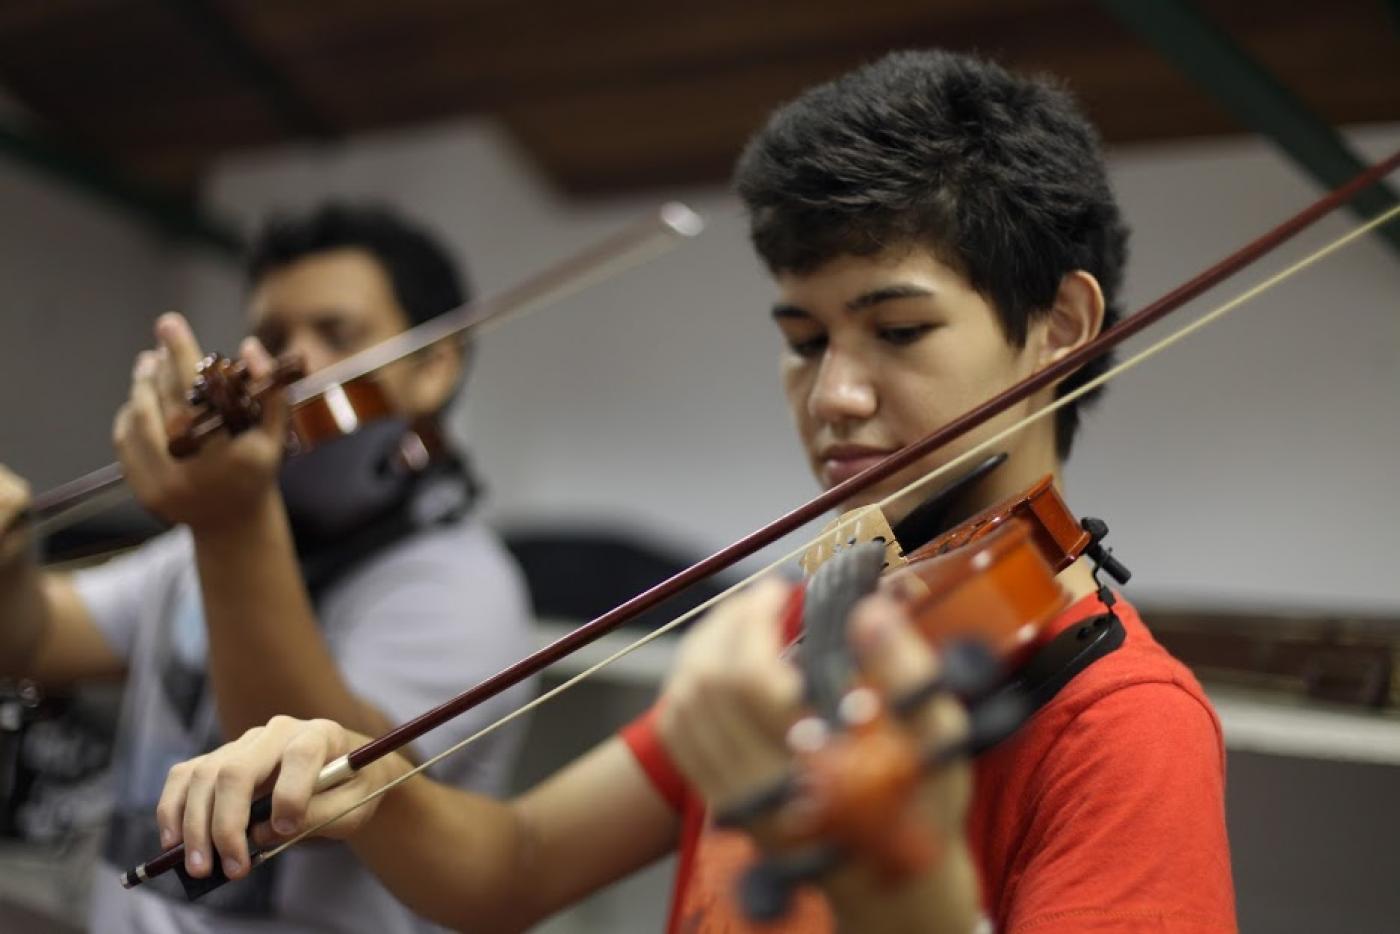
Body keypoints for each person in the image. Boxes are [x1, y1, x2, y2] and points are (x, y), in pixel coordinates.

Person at [144, 51, 1237, 932]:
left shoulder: (1122, 728)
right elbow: (512, 869)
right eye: (804, 339)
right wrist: (370, 790)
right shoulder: (810, 625)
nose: (834, 395)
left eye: (896, 330)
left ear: (1057, 330)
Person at [0, 204, 536, 933]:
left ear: (434, 365)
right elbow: (35, 639)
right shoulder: (204, 545)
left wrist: (229, 521)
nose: (290, 366)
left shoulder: (463, 588)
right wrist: (8, 565)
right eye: (274, 338)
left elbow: (307, 794)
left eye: (336, 334)